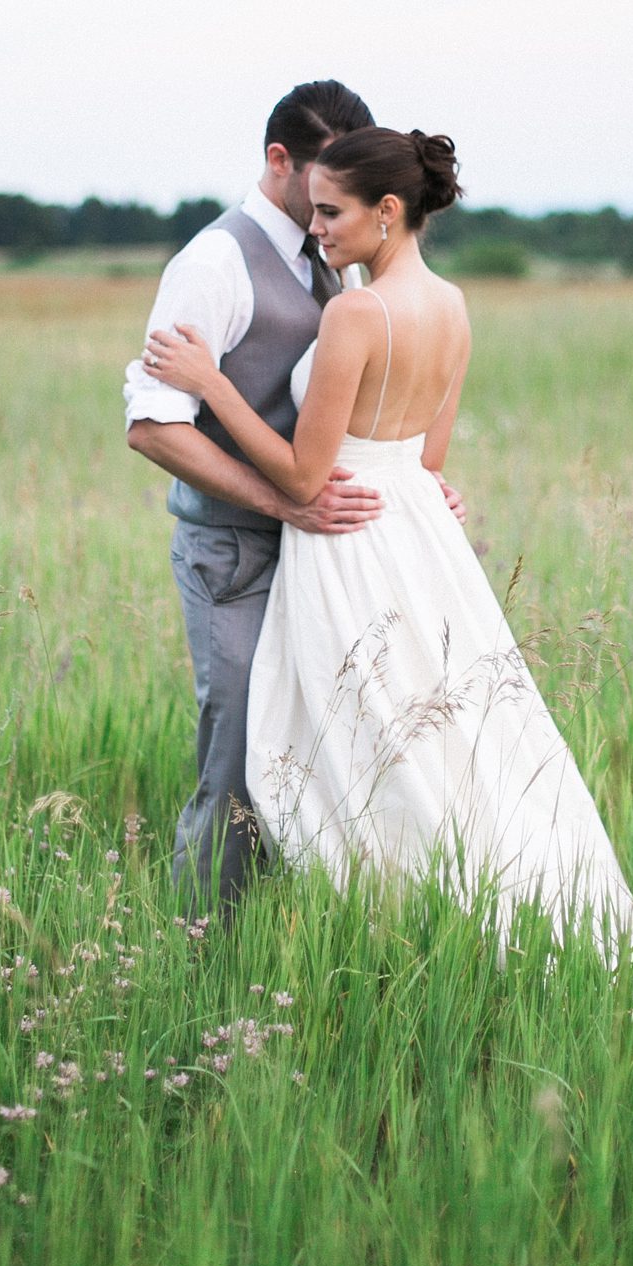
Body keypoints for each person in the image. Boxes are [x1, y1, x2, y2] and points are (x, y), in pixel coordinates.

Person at [142, 126, 633, 993]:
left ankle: (394, 920)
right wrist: (416, 488)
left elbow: (303, 472)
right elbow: (428, 461)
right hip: (418, 537)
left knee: (353, 745)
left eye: (331, 212)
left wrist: (209, 385)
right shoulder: (456, 305)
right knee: (450, 739)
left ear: (387, 213)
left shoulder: (355, 312)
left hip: (347, 544)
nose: (316, 228)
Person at [125, 80, 463, 914]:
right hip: (237, 554)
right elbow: (154, 426)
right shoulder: (211, 262)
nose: (321, 213)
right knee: (239, 765)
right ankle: (203, 952)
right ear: (279, 160)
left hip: (338, 562)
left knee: (333, 760)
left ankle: (295, 944)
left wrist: (415, 488)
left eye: (338, 199)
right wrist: (286, 505)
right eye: (316, 183)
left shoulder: (349, 271)